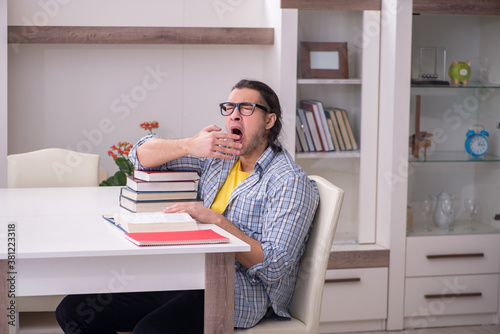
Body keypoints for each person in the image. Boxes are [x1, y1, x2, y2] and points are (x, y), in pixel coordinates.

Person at [56, 79, 319, 333]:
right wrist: (190, 145)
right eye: (229, 108)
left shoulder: (289, 181)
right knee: (73, 312)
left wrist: (215, 220)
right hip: (188, 274)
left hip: (237, 290)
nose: (234, 116)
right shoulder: (220, 159)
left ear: (269, 120)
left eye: (246, 109)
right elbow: (140, 158)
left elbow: (273, 266)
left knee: (150, 330)